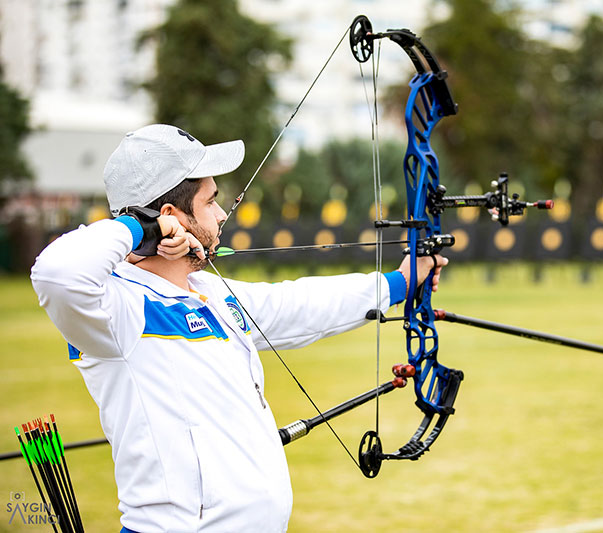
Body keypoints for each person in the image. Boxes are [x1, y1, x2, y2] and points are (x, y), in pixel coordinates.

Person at [30, 124, 447, 533]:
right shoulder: (117, 309)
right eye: (211, 201)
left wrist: (402, 283)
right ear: (171, 217)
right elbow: (56, 274)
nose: (221, 213)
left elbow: (300, 305)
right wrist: (142, 226)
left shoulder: (210, 291)